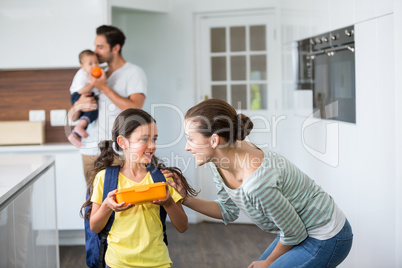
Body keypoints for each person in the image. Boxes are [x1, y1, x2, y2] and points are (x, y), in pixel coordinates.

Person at [166, 99, 353, 268]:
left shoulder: (257, 182)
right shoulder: (222, 160)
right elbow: (228, 211)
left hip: (327, 236)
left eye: (190, 138)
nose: (186, 146)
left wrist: (269, 262)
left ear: (214, 140)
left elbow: (294, 233)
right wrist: (185, 199)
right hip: (297, 230)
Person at [81, 108, 198, 268]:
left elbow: (183, 226)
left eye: (155, 139)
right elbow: (94, 226)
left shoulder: (161, 178)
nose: (152, 145)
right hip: (117, 264)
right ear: (123, 142)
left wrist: (169, 203)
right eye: (144, 139)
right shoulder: (105, 178)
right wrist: (107, 206)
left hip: (158, 263)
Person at [68, 25, 147, 185]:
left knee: (119, 204)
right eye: (95, 45)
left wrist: (103, 86)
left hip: (118, 152)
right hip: (90, 150)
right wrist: (78, 106)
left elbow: (136, 108)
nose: (95, 51)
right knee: (92, 202)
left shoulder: (133, 72)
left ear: (116, 48)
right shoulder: (92, 72)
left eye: (100, 47)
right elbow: (73, 116)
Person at [68, 49, 100, 147]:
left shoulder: (91, 74)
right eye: (90, 64)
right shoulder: (82, 74)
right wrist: (93, 84)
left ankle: (76, 134)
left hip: (84, 95)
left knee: (91, 113)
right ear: (83, 66)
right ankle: (79, 128)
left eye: (96, 62)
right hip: (78, 95)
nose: (94, 66)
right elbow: (81, 91)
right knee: (93, 111)